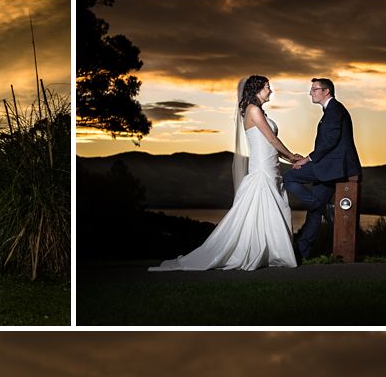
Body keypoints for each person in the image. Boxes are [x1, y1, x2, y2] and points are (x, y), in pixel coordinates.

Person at [149, 76, 299, 272]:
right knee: (263, 207)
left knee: (273, 208)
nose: (270, 91)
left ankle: (270, 253)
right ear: (257, 90)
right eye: (267, 88)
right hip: (262, 169)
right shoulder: (253, 110)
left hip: (272, 166)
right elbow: (271, 138)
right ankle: (266, 252)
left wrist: (290, 159)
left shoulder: (258, 111)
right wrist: (292, 156)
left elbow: (270, 144)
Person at [283, 78, 362, 262]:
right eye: (311, 89)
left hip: (332, 166)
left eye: (314, 89)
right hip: (328, 166)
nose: (311, 92)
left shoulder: (335, 109)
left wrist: (307, 159)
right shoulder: (332, 110)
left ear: (326, 91)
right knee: (315, 212)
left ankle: (319, 205)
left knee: (289, 178)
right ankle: (301, 254)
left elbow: (330, 141)